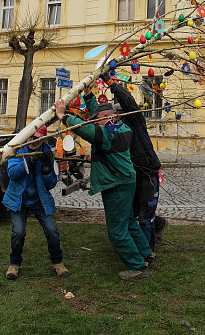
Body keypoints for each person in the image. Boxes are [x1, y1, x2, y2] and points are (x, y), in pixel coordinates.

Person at [54, 88, 157, 280]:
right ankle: (147, 255)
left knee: (117, 231)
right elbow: (98, 115)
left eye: (98, 118)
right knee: (127, 222)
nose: (94, 120)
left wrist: (64, 116)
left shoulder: (109, 134)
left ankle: (138, 268)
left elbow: (87, 129)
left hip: (116, 185)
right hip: (125, 182)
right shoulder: (119, 126)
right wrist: (88, 96)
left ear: (108, 117)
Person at [103, 79, 167, 250]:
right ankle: (159, 225)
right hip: (132, 177)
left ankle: (147, 256)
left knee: (145, 218)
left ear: (123, 113)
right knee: (134, 213)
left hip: (147, 173)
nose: (113, 119)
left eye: (115, 116)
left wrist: (110, 82)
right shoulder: (115, 130)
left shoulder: (136, 122)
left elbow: (129, 101)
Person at [3, 126, 69, 280]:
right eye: (30, 137)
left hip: (39, 199)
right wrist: (29, 161)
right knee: (18, 232)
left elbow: (51, 184)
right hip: (18, 199)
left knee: (52, 230)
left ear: (43, 139)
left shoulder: (48, 153)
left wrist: (46, 168)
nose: (32, 141)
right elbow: (12, 173)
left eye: (37, 138)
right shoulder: (18, 149)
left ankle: (57, 262)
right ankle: (14, 264)